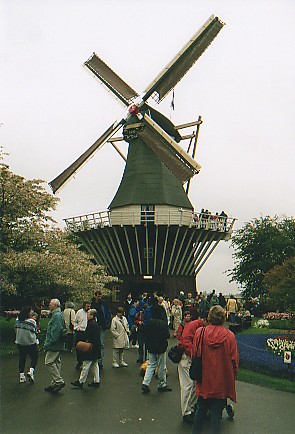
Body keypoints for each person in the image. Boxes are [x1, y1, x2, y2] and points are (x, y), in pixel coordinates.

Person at [191, 306, 239, 434]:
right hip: (221, 381)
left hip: (204, 379)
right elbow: (234, 361)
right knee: (216, 414)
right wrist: (232, 376)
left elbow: (194, 355)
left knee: (200, 410)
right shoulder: (229, 336)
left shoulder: (199, 332)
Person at [178, 317, 207, 423]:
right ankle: (186, 412)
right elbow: (185, 342)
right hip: (187, 358)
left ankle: (191, 408)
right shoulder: (194, 326)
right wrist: (196, 354)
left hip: (192, 359)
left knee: (194, 384)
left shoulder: (199, 326)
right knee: (188, 385)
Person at [141, 304, 172, 394]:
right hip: (161, 347)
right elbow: (167, 335)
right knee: (161, 366)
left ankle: (145, 383)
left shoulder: (149, 323)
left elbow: (145, 334)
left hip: (151, 347)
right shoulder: (163, 324)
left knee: (151, 365)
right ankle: (162, 384)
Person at [71, 309, 101, 389]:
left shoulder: (91, 324)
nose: (87, 316)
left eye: (88, 314)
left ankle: (81, 381)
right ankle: (96, 381)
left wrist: (87, 343)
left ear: (92, 316)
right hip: (96, 348)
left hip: (91, 348)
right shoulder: (95, 324)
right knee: (95, 365)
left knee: (86, 365)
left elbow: (90, 337)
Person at [44, 299, 66, 393]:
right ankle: (54, 383)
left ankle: (58, 381)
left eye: (50, 304)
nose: (49, 306)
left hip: (54, 344)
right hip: (58, 344)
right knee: (56, 362)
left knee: (48, 362)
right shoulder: (58, 314)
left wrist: (49, 343)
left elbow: (56, 331)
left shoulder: (56, 316)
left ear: (55, 305)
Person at [15, 306, 38, 383]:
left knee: (22, 358)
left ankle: (21, 376)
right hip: (30, 342)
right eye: (31, 311)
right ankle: (31, 371)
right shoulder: (32, 322)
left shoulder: (17, 320)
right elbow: (35, 331)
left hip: (20, 342)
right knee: (34, 357)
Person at [91, 290, 111, 368]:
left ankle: (100, 361)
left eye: (100, 296)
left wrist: (107, 324)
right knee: (94, 342)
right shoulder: (92, 304)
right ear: (95, 296)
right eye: (98, 296)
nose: (99, 297)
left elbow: (108, 313)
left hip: (102, 325)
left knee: (101, 344)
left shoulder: (104, 304)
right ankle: (94, 359)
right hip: (94, 325)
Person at [74, 301, 91, 369]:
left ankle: (85, 362)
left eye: (89, 306)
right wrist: (77, 328)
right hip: (80, 332)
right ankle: (79, 361)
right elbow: (75, 321)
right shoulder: (79, 312)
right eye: (87, 306)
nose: (88, 308)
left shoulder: (91, 313)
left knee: (87, 348)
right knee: (79, 348)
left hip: (87, 332)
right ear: (84, 306)